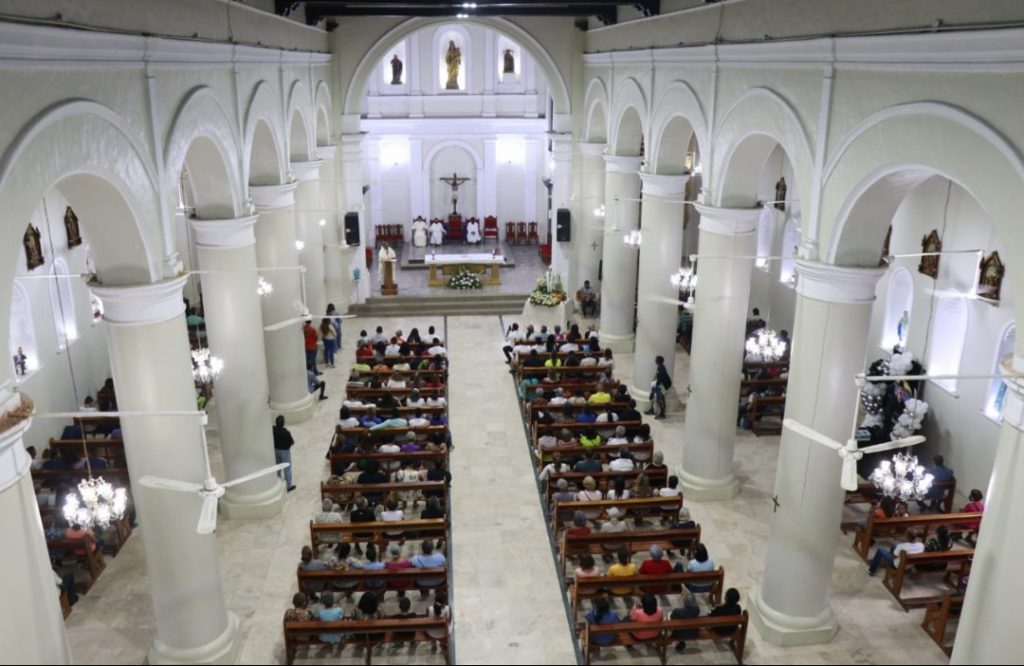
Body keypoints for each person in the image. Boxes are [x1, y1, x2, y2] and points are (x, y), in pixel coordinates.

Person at [272, 415, 296, 492]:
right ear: (283, 423)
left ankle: (278, 480)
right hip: (285, 451)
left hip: (276, 449)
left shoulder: (273, 429)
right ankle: (289, 485)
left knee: (277, 466)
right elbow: (292, 442)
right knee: (287, 468)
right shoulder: (286, 432)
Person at [646, 355, 672, 419]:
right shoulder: (660, 367)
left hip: (661, 386)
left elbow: (661, 380)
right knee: (653, 397)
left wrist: (656, 387)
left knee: (660, 399)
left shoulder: (661, 368)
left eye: (656, 359)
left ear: (657, 361)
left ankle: (662, 414)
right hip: (658, 385)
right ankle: (653, 410)